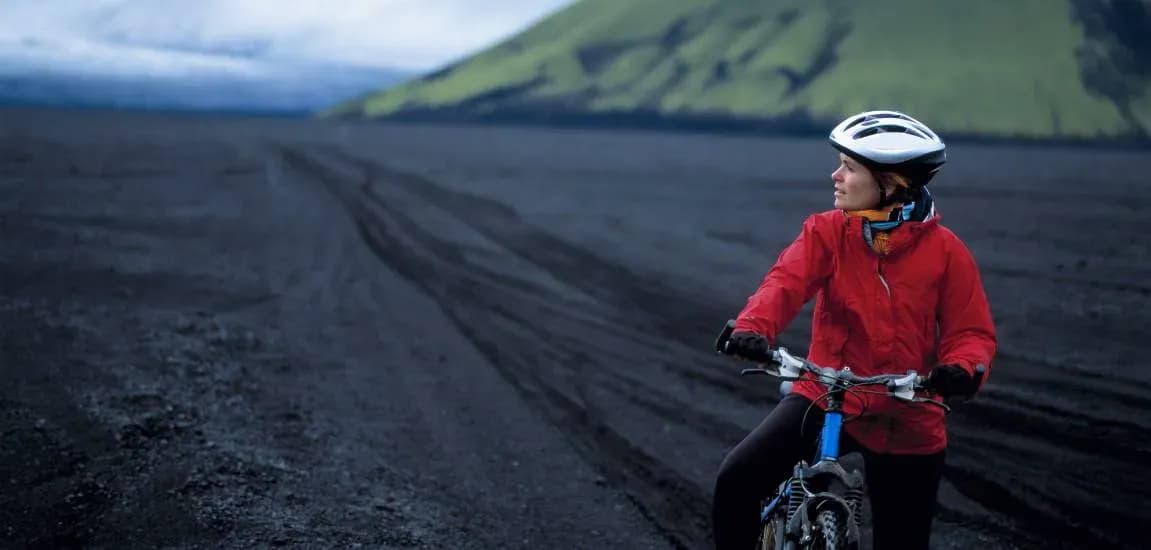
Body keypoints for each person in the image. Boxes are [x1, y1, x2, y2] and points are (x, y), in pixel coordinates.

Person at [712, 110, 997, 549]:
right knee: (737, 479)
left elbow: (971, 332)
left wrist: (962, 368)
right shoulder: (827, 233)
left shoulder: (947, 253)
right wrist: (752, 328)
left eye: (849, 167)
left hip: (909, 412)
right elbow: (784, 284)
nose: (836, 176)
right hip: (826, 394)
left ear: (891, 182)